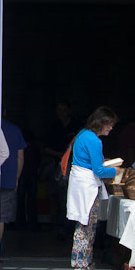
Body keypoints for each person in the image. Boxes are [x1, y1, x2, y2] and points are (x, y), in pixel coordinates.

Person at [67, 106, 118, 270]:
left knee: (84, 225)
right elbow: (98, 169)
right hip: (87, 187)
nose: (111, 128)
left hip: (80, 184)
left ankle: (85, 266)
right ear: (101, 123)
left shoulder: (83, 134)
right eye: (109, 124)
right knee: (86, 228)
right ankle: (80, 269)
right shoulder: (95, 141)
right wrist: (116, 171)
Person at [44, 100, 81, 237]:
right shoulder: (53, 127)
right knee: (55, 197)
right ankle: (57, 228)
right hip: (55, 167)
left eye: (64, 110)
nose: (61, 113)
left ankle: (68, 228)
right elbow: (46, 148)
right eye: (59, 110)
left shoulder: (77, 127)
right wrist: (62, 155)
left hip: (73, 167)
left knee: (69, 199)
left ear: (69, 111)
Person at [0, 113, 27, 242]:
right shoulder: (14, 129)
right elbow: (20, 157)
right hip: (7, 179)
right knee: (0, 218)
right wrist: (16, 177)